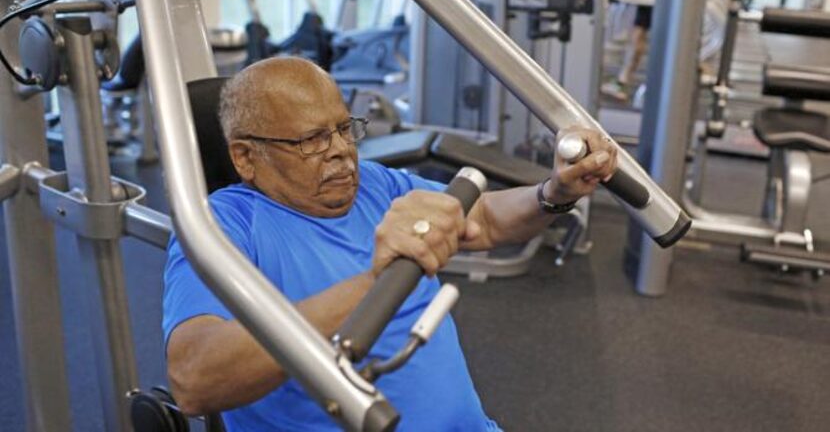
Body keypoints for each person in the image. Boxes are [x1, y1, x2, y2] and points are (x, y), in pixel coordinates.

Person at [163, 57, 618, 431]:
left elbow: (484, 220)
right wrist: (376, 282)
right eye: (313, 139)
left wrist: (554, 193)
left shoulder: (376, 185)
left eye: (344, 129)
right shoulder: (224, 226)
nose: (342, 150)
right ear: (245, 156)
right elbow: (194, 379)